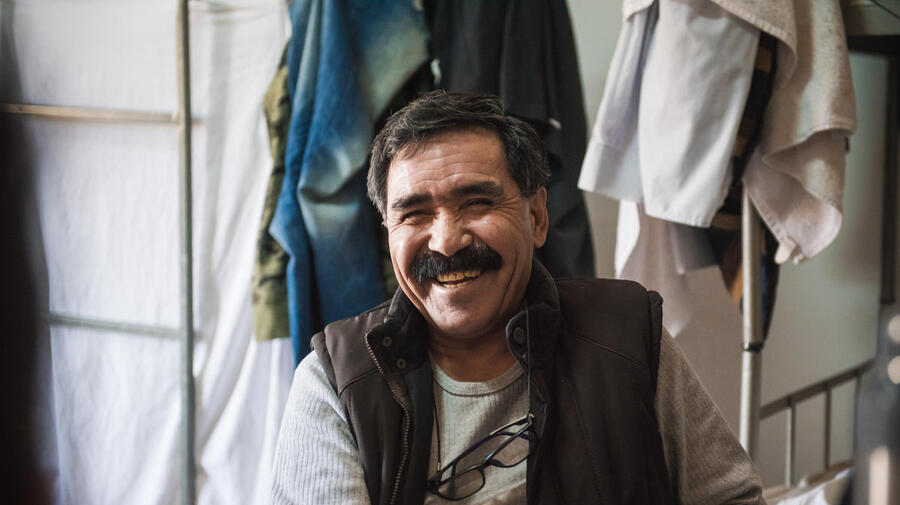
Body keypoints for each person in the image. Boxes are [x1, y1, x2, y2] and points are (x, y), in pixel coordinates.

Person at [272, 91, 764, 505]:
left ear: (537, 217)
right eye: (414, 214)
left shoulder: (630, 333)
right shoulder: (336, 381)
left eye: (478, 202)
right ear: (388, 232)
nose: (446, 241)